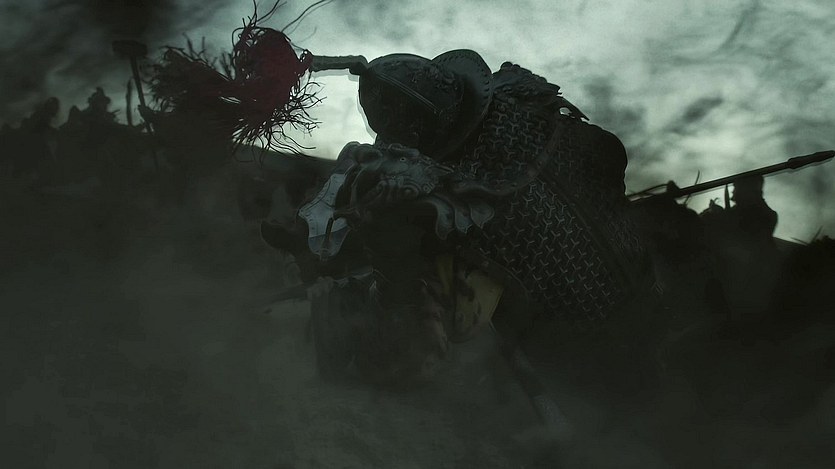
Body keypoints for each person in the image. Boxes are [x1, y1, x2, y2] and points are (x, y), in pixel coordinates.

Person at [268, 50, 658, 385]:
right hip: (644, 285)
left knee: (397, 239)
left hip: (575, 336)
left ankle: (382, 337)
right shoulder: (525, 104)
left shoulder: (462, 184)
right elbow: (610, 154)